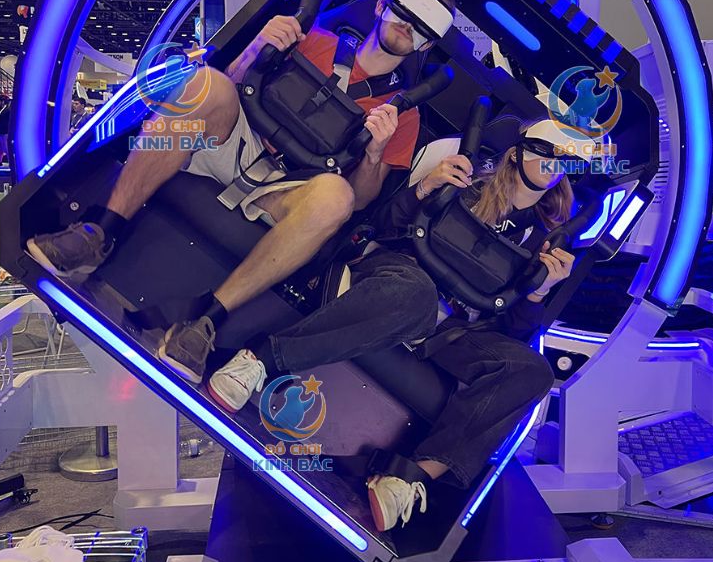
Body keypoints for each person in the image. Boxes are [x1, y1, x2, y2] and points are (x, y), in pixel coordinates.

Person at [27, 0, 456, 385]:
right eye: (404, 11)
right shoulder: (313, 39)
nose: (407, 26)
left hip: (289, 185)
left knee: (337, 197)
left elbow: (360, 200)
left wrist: (375, 154)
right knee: (208, 83)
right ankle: (99, 231)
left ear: (426, 44)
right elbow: (231, 84)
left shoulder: (404, 115)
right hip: (237, 141)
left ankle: (205, 323)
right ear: (381, 5)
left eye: (421, 26)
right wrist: (256, 49)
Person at [208, 118, 584, 532]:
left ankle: (410, 477)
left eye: (565, 161)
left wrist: (537, 292)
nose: (554, 166)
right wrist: (424, 188)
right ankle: (260, 360)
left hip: (452, 329)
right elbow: (383, 225)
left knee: (531, 370)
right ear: (518, 150)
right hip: (401, 278)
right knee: (417, 294)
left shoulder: (546, 239)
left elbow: (512, 331)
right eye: (547, 153)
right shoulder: (468, 180)